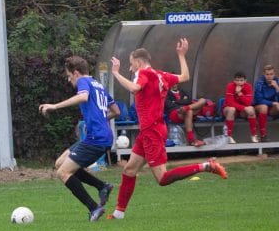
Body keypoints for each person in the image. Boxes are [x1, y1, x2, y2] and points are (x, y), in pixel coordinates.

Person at [107, 38, 228, 220]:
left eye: (131, 65)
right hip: (151, 130)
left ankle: (205, 166)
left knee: (162, 179)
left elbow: (134, 87)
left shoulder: (143, 73)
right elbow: (185, 77)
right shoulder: (161, 74)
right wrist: (181, 55)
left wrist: (115, 73)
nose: (130, 69)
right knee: (129, 170)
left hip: (152, 132)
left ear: (139, 63)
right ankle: (118, 213)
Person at [38, 56, 120, 221]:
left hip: (96, 139)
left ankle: (94, 208)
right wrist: (100, 121)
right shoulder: (98, 85)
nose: (69, 80)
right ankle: (102, 186)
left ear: (76, 73)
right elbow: (116, 111)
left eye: (69, 76)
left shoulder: (83, 81)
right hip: (98, 137)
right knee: (60, 163)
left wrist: (54, 106)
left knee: (63, 172)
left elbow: (82, 97)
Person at [223, 71, 258, 143]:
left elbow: (248, 102)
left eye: (241, 80)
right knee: (232, 109)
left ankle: (254, 135)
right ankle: (228, 136)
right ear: (234, 80)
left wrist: (239, 94)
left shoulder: (248, 86)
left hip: (241, 111)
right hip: (229, 109)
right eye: (237, 80)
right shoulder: (230, 86)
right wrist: (244, 108)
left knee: (251, 109)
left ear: (245, 80)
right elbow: (230, 103)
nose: (239, 82)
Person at [252, 64, 279, 141]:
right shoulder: (259, 83)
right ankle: (263, 135)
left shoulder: (277, 81)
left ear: (274, 74)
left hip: (272, 108)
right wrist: (272, 103)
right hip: (259, 107)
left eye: (271, 74)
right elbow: (259, 100)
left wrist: (277, 88)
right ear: (264, 74)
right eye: (267, 74)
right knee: (264, 107)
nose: (269, 76)